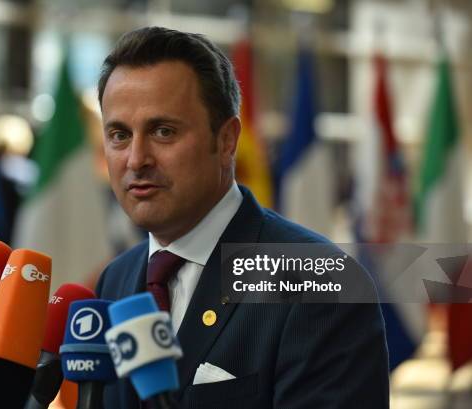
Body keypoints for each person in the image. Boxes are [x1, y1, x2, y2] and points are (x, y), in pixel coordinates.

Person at [95, 26, 389, 408]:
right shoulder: (114, 280)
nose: (136, 159)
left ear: (226, 140)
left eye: (163, 131)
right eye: (119, 135)